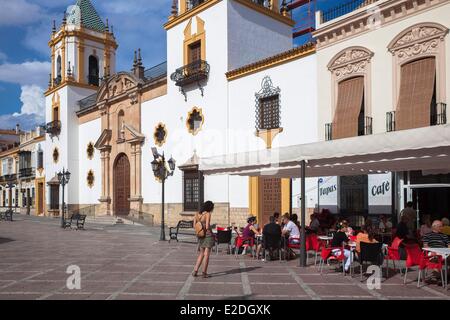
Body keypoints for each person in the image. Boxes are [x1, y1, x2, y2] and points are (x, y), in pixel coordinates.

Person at [193, 201, 215, 278]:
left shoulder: (197, 214)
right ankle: (204, 272)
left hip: (200, 235)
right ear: (210, 207)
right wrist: (212, 232)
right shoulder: (208, 214)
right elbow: (207, 226)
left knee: (201, 253)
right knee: (207, 254)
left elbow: (194, 225)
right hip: (207, 235)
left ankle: (195, 270)